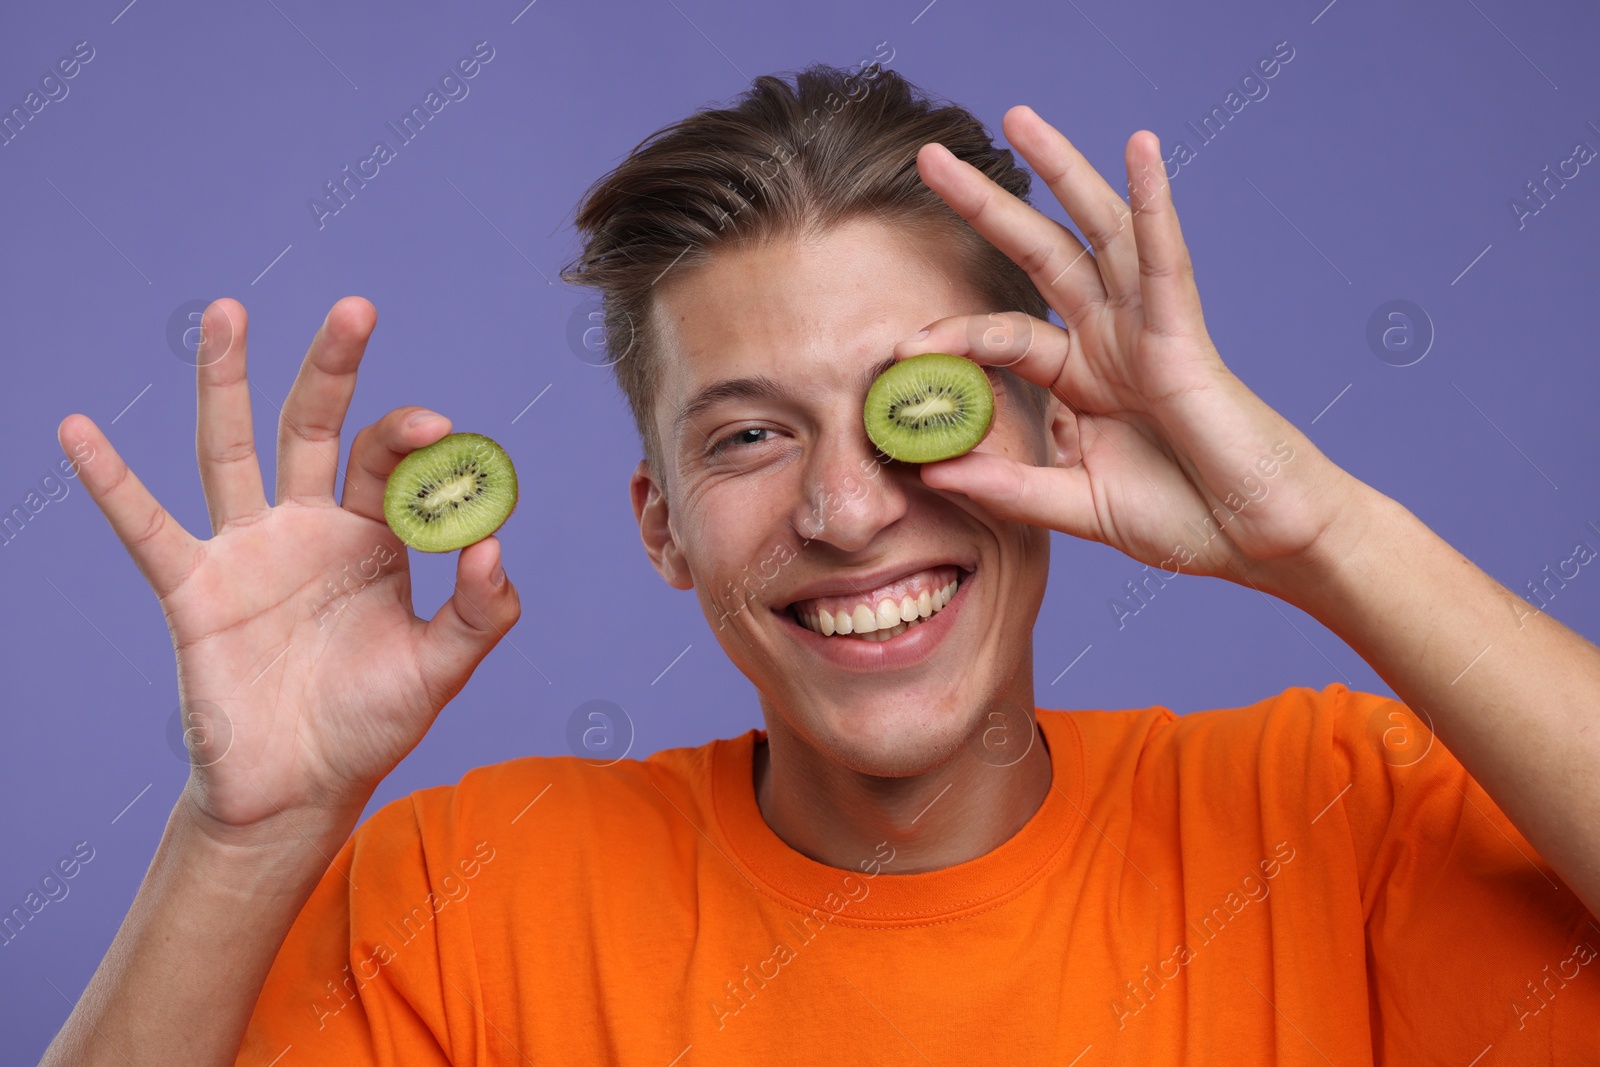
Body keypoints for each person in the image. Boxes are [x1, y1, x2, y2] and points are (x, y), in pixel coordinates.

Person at [41, 62, 1600, 1065]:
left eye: (912, 411)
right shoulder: (475, 891)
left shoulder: (1340, 814)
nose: (849, 510)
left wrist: (1321, 534)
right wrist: (247, 837)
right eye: (745, 439)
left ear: (1060, 437)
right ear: (660, 525)